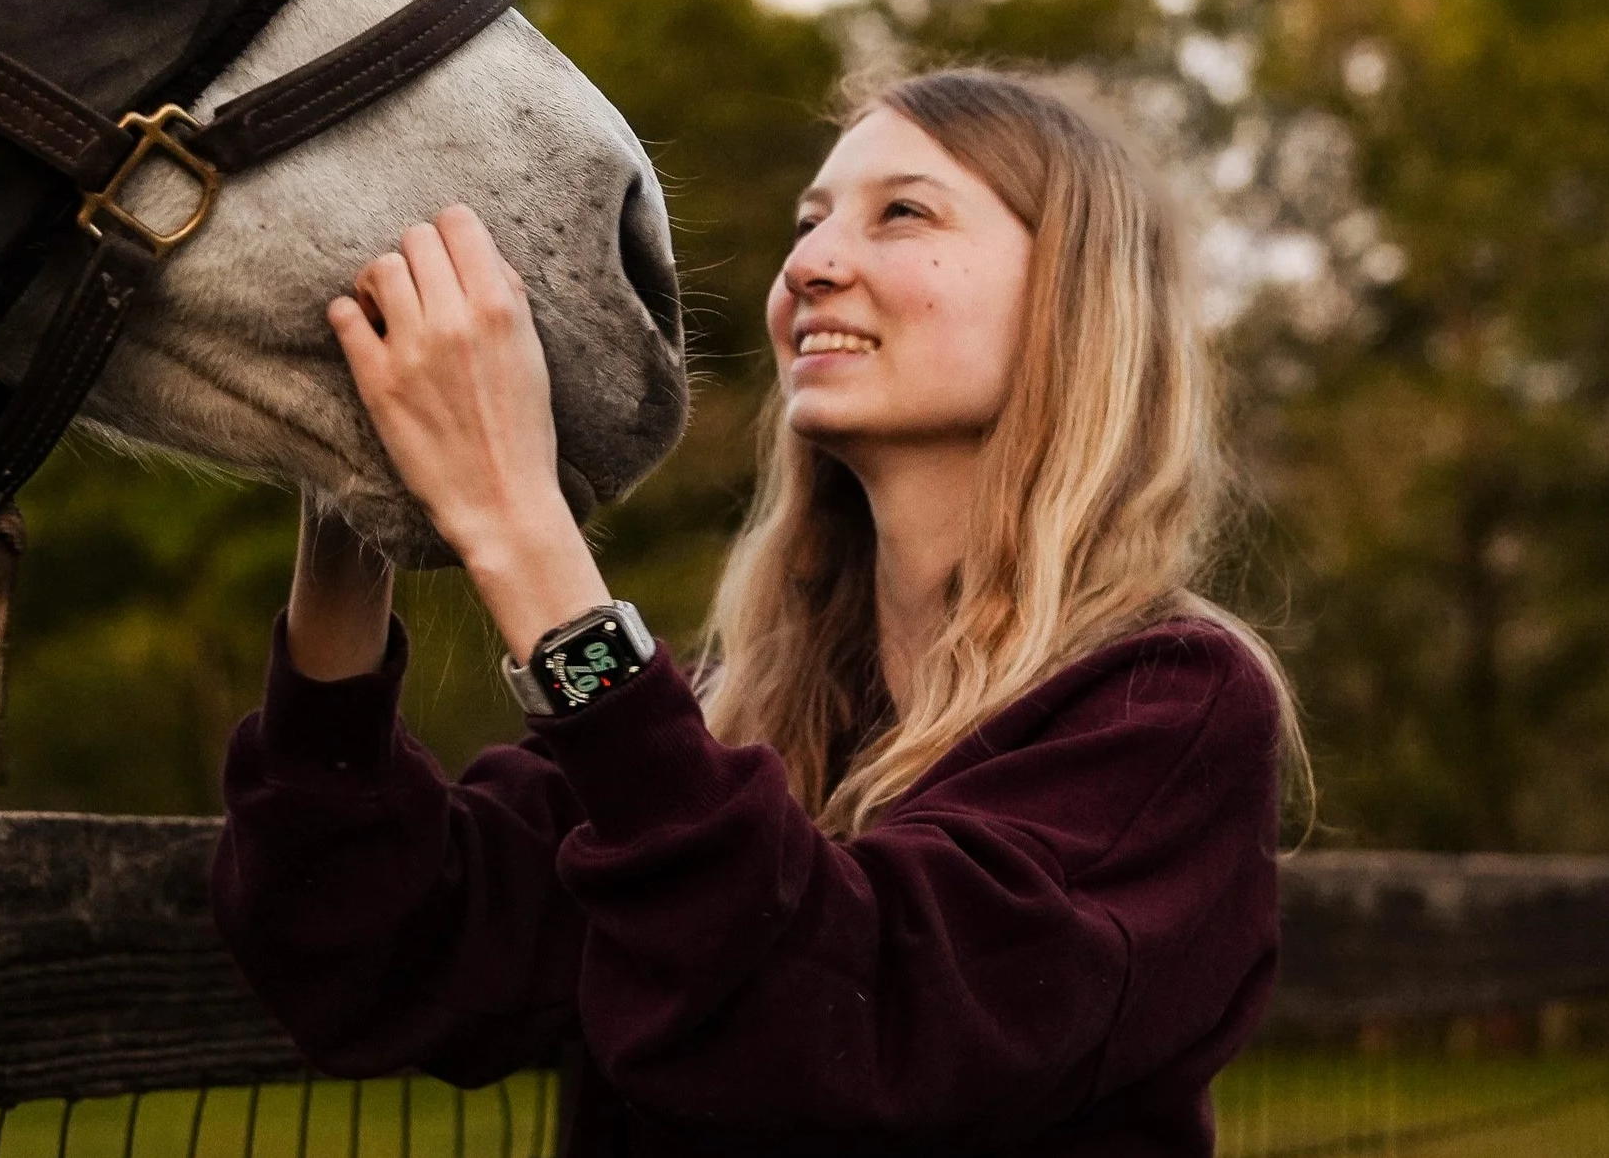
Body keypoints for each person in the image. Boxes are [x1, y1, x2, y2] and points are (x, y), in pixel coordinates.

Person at [212, 69, 1302, 1156]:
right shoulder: (734, 716)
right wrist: (348, 503)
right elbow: (369, 948)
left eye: (903, 212)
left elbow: (839, 1039)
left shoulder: (1168, 708)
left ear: (1074, 296)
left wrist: (516, 523)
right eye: (809, 222)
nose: (809, 264)